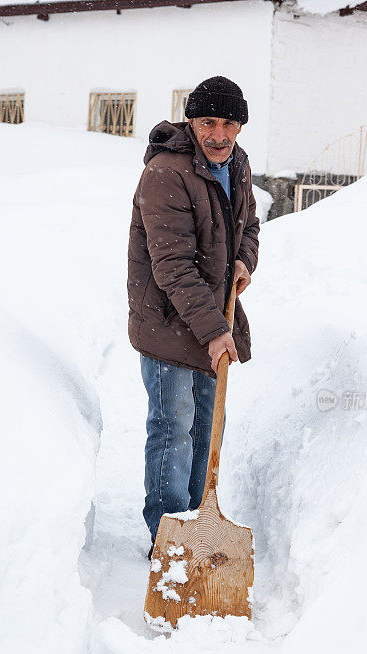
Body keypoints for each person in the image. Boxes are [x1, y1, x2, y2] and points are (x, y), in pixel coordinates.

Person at [127, 76, 260, 558]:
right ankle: (167, 536)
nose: (220, 135)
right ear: (191, 121)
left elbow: (250, 223)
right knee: (172, 429)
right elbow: (172, 265)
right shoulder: (166, 172)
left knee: (207, 427)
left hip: (208, 322)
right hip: (168, 324)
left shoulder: (236, 164)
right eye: (209, 123)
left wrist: (245, 259)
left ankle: (197, 523)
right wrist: (215, 330)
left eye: (230, 124)